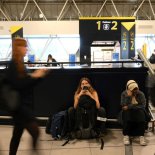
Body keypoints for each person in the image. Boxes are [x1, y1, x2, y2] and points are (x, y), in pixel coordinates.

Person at [6, 38, 48, 155]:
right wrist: (35, 76)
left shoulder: (20, 64)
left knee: (17, 135)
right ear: (18, 48)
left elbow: (26, 83)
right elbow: (19, 85)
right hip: (20, 108)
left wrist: (39, 76)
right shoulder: (13, 65)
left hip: (23, 106)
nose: (26, 48)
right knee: (35, 132)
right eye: (24, 46)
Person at [121, 80, 147, 146]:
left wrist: (130, 106)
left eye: (136, 89)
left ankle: (141, 136)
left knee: (141, 113)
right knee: (126, 113)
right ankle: (126, 136)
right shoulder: (124, 94)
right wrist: (128, 96)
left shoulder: (141, 94)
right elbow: (123, 105)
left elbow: (143, 105)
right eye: (133, 89)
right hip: (128, 112)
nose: (135, 91)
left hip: (138, 111)